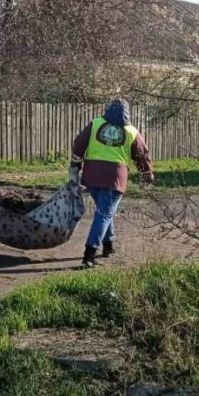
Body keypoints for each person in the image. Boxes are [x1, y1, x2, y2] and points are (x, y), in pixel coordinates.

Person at [70, 97, 153, 269]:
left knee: (104, 210)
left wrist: (75, 164)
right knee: (104, 214)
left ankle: (108, 245)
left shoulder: (95, 124)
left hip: (92, 176)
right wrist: (146, 174)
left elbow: (79, 144)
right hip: (115, 178)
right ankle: (89, 254)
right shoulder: (131, 131)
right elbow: (142, 154)